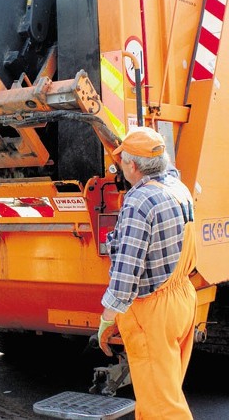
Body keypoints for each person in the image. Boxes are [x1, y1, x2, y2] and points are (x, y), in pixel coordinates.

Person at [98, 126, 196, 419]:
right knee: (162, 394)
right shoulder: (179, 189)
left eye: (122, 162)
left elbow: (126, 277)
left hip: (153, 312)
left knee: (162, 409)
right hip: (181, 301)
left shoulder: (140, 201)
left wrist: (107, 318)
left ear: (132, 165)